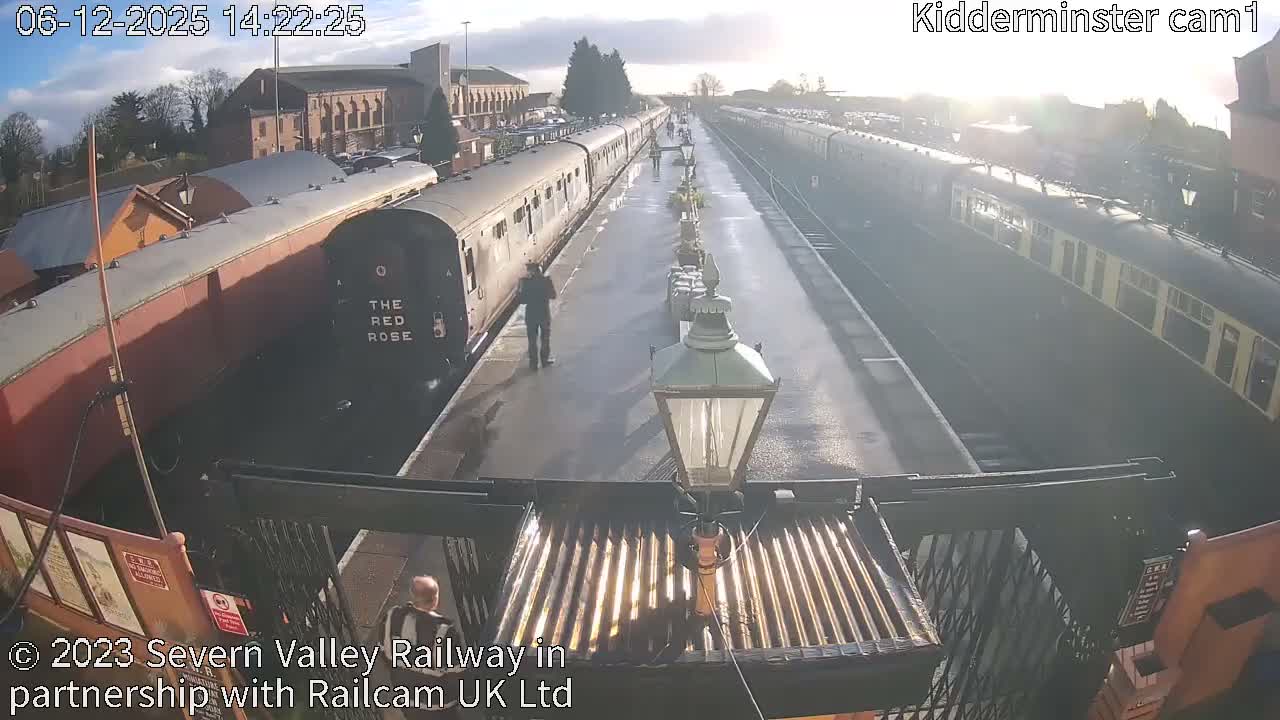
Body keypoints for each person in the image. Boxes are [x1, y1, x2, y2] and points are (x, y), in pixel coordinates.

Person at [379, 576, 465, 720]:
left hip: (407, 700)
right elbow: (456, 674)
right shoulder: (445, 631)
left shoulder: (392, 617)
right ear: (435, 599)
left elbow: (385, 653)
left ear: (411, 595)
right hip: (439, 706)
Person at [518, 261, 557, 369]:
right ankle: (544, 361)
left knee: (532, 340)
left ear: (531, 271)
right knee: (545, 338)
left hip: (531, 315)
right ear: (540, 270)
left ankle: (533, 364)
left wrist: (519, 289)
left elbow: (522, 301)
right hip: (544, 314)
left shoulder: (525, 283)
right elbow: (553, 296)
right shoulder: (546, 281)